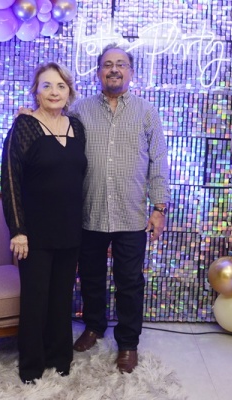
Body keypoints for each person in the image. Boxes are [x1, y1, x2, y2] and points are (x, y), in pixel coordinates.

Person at [70, 44, 170, 374]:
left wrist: (159, 208)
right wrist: (29, 117)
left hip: (131, 214)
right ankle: (94, 326)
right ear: (98, 72)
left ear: (131, 72)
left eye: (121, 64)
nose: (114, 69)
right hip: (90, 211)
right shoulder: (80, 110)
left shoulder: (146, 112)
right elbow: (58, 141)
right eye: (108, 64)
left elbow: (158, 161)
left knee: (129, 282)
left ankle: (128, 343)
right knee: (91, 278)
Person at [1, 62, 87, 384]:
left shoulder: (77, 127)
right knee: (35, 299)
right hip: (33, 233)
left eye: (61, 86)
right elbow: (10, 181)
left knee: (62, 297)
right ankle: (31, 366)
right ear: (36, 91)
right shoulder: (24, 126)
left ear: (69, 92)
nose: (54, 92)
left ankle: (60, 357)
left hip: (70, 228)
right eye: (46, 85)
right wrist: (18, 231)